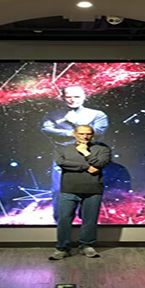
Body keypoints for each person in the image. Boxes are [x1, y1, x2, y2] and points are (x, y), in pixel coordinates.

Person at [41, 86, 109, 221]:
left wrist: (76, 122)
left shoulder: (97, 114)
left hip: (88, 155)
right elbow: (47, 130)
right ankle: (61, 221)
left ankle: (86, 221)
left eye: (77, 96)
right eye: (69, 96)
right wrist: (73, 133)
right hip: (64, 155)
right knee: (59, 189)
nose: (72, 100)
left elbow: (98, 133)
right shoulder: (53, 115)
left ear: (84, 97)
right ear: (62, 97)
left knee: (88, 189)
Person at [49, 125, 111, 260]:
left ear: (92, 135)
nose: (85, 136)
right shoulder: (62, 149)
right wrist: (86, 166)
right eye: (81, 133)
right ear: (74, 134)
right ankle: (62, 248)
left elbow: (99, 164)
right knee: (64, 219)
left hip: (93, 190)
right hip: (69, 189)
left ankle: (86, 246)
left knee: (90, 220)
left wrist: (85, 152)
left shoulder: (102, 149)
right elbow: (61, 162)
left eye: (88, 134)